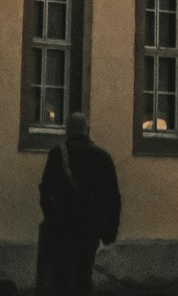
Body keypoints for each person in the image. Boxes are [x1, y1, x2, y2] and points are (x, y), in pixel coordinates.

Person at [38, 112, 121, 296]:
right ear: (88, 130)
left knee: (63, 273)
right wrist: (110, 232)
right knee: (84, 271)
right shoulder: (103, 157)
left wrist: (51, 217)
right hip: (91, 225)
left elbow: (45, 191)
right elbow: (113, 198)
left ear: (67, 131)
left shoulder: (58, 154)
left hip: (63, 224)